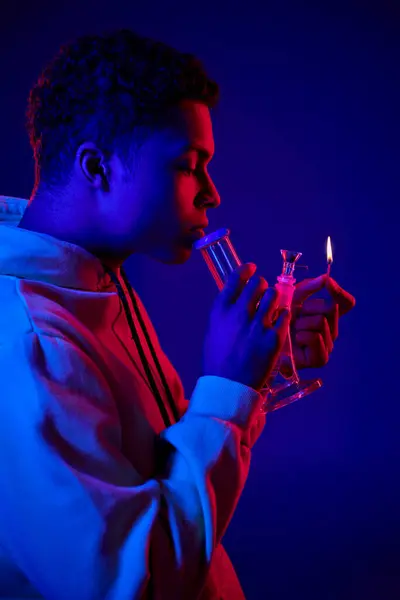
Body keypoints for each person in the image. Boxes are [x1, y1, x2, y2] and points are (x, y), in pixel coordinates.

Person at [0, 29, 355, 600]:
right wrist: (229, 387)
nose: (211, 193)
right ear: (98, 167)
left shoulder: (95, 283)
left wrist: (258, 378)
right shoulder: (27, 343)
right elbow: (127, 583)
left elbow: (164, 475)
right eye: (190, 165)